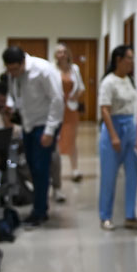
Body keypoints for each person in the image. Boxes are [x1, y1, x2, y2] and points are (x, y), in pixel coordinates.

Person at [2, 45, 64, 229]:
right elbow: (13, 93)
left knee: (40, 168)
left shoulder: (42, 69)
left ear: (23, 62)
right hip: (28, 124)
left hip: (44, 124)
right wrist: (10, 104)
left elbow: (57, 99)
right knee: (32, 167)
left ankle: (39, 212)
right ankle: (40, 205)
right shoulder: (13, 74)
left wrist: (50, 131)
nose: (13, 73)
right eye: (9, 70)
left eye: (15, 69)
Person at [98, 45, 137, 231]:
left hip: (130, 127)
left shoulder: (130, 80)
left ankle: (130, 215)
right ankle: (105, 216)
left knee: (133, 173)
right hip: (113, 128)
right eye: (129, 58)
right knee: (109, 176)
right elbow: (104, 110)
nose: (132, 62)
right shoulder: (108, 82)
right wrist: (114, 136)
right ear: (118, 60)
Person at [53, 44, 85, 191]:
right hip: (57, 109)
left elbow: (81, 87)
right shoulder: (52, 69)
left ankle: (75, 170)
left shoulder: (75, 69)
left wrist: (75, 96)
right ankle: (56, 171)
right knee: (57, 140)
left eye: (64, 52)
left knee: (71, 139)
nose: (62, 54)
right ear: (56, 55)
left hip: (71, 108)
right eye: (59, 52)